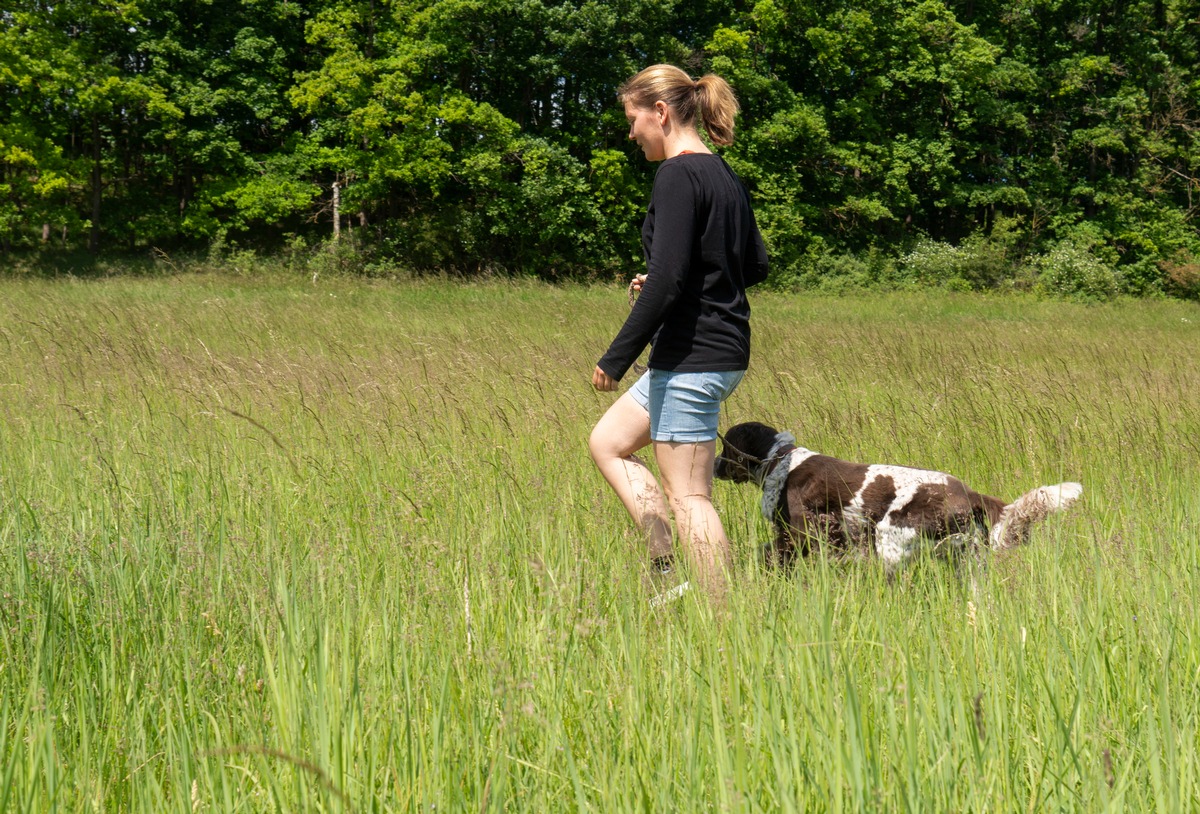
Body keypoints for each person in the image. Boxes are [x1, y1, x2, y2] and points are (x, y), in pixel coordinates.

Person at [589, 64, 769, 603]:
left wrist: (616, 358)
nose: (631, 133)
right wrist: (683, 276)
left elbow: (667, 281)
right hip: (706, 350)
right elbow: (754, 265)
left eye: (633, 119)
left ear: (660, 113)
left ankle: (723, 619)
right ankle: (666, 567)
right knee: (609, 444)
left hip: (697, 353)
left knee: (691, 495)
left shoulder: (676, 174)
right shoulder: (724, 174)